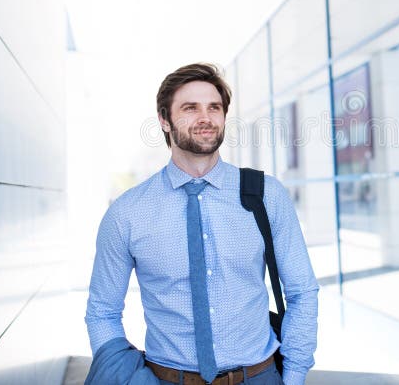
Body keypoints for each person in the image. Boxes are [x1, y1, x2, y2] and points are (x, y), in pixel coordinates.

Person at [85, 63, 319, 385]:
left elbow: (302, 291)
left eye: (214, 107)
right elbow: (102, 311)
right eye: (190, 108)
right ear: (165, 120)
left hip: (259, 376)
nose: (205, 118)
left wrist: (292, 378)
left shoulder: (267, 195)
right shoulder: (128, 213)